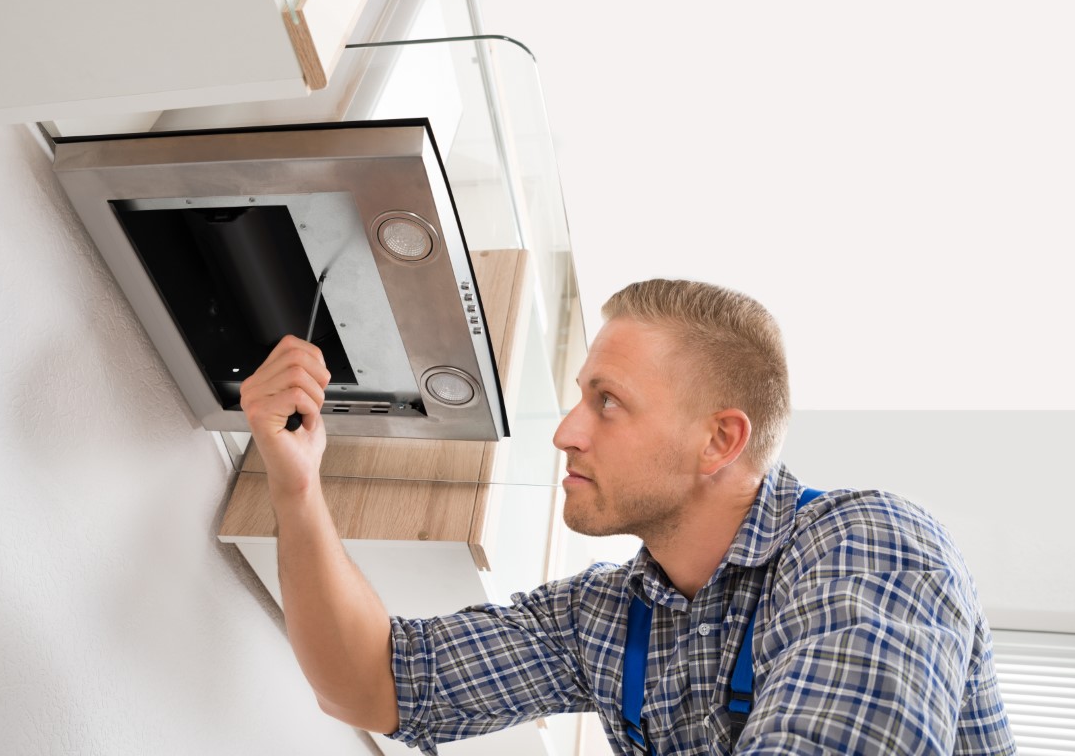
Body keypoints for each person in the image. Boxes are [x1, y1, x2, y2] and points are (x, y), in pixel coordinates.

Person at [239, 279, 1016, 755]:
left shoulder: (867, 546)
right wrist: (297, 489)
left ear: (719, 439)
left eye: (606, 401)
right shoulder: (605, 618)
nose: (566, 430)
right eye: (580, 396)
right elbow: (373, 685)